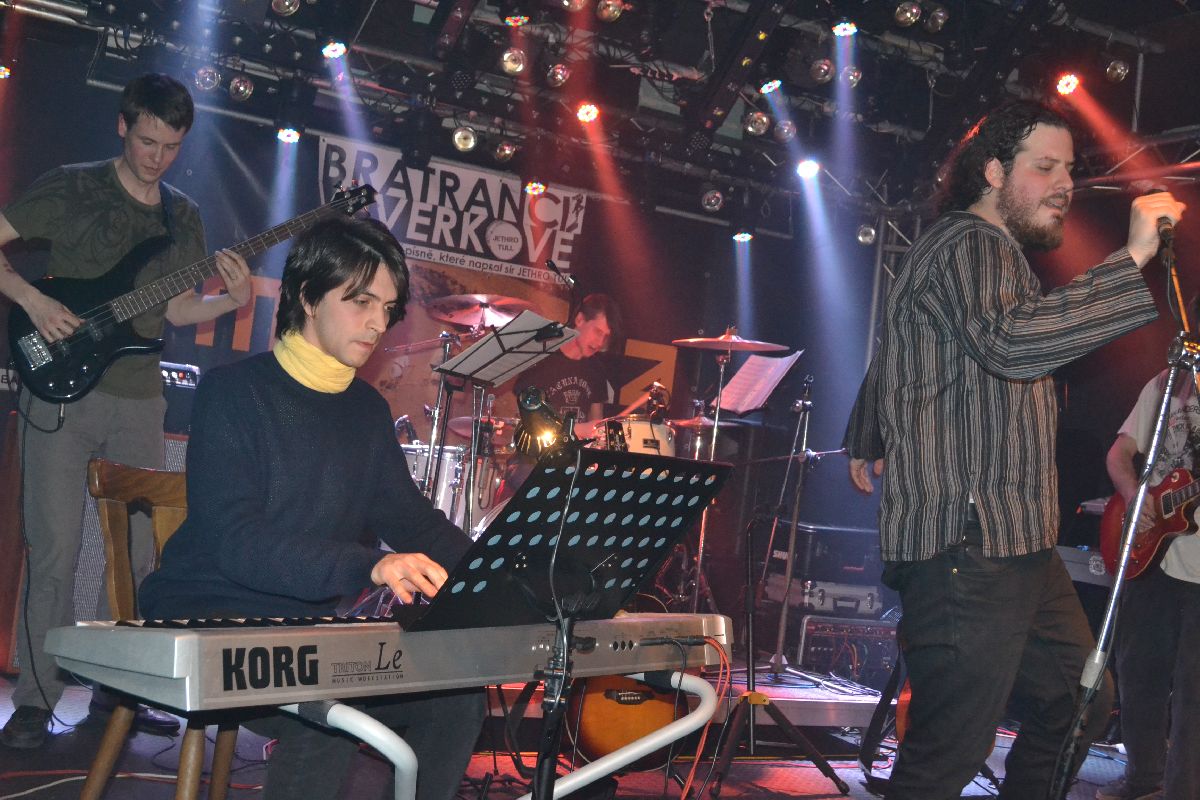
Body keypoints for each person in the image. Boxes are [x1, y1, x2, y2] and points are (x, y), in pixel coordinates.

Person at [842, 100, 1186, 800]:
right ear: (994, 171)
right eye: (1045, 167)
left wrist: (868, 430)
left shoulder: (989, 259)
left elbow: (910, 347)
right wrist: (1133, 258)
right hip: (968, 543)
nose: (1066, 185)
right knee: (948, 750)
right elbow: (1012, 344)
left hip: (1016, 541)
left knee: (1078, 700)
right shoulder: (968, 243)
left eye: (1071, 169)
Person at [138, 214, 485, 800]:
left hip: (303, 630)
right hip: (207, 611)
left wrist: (504, 574)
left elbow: (413, 522)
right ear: (307, 295)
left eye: (388, 308)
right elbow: (236, 542)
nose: (379, 324)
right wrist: (369, 565)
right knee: (327, 714)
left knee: (457, 699)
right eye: (361, 301)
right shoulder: (233, 392)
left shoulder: (366, 411)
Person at [0, 74, 252, 750]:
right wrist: (31, 299)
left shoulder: (182, 215)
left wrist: (230, 301)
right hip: (60, 391)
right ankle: (36, 699)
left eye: (171, 147)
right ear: (122, 126)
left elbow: (175, 309)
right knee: (55, 548)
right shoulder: (72, 186)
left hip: (140, 397)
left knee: (142, 554)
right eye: (146, 142)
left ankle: (122, 691)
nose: (157, 158)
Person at [1100, 325, 1200, 800]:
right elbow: (1119, 454)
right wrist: (1135, 497)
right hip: (1150, 555)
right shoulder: (1165, 383)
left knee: (1193, 691)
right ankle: (1144, 779)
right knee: (1137, 672)